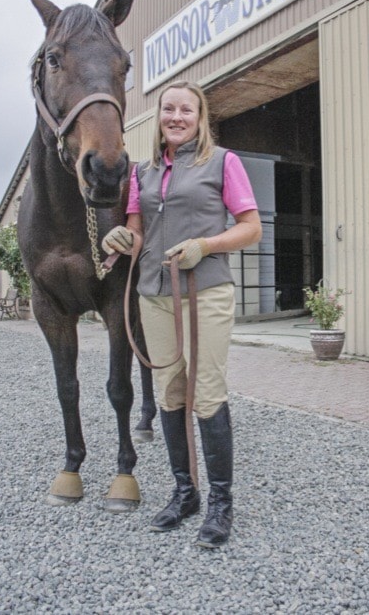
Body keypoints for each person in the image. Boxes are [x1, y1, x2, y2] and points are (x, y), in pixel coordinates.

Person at [102, 80, 262, 548]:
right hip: (154, 294)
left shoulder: (223, 162)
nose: (176, 116)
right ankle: (184, 492)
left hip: (206, 291)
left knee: (206, 392)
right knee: (170, 391)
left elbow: (250, 228)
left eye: (185, 110)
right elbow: (137, 233)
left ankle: (221, 504)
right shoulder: (142, 173)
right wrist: (119, 240)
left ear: (200, 116)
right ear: (159, 117)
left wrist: (205, 245)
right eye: (167, 109)